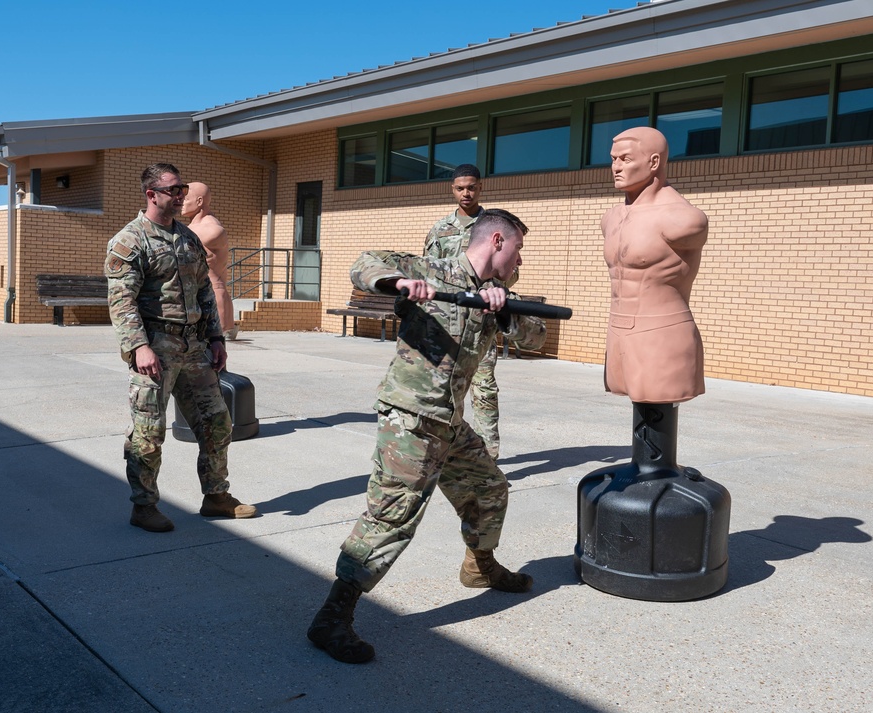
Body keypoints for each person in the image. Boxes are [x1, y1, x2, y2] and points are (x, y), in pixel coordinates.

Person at [308, 208, 546, 664]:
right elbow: (365, 263)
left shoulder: (496, 295)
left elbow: (536, 335)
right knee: (393, 517)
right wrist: (398, 285)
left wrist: (507, 313)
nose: (520, 261)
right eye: (518, 249)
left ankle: (480, 566)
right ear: (497, 241)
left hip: (448, 422)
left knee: (489, 488)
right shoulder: (431, 271)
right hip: (411, 419)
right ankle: (332, 618)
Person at [105, 163, 257, 533]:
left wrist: (217, 338)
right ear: (151, 194)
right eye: (173, 189)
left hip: (194, 348)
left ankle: (216, 497)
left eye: (182, 189)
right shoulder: (131, 240)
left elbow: (205, 291)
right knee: (149, 432)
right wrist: (139, 347)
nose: (180, 196)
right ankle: (144, 506)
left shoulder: (187, 238)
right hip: (155, 347)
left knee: (217, 423)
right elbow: (121, 301)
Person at [601, 126, 708, 404]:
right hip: (618, 330)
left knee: (659, 419)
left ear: (654, 162)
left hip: (663, 333)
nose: (616, 167)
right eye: (613, 159)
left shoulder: (682, 219)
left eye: (625, 159)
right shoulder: (611, 218)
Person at [424, 164, 510, 458]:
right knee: (445, 388)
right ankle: (446, 452)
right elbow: (429, 274)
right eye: (460, 188)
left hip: (481, 323)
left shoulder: (494, 227)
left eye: (471, 187)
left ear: (480, 188)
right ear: (452, 189)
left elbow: (509, 271)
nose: (466, 193)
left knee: (484, 389)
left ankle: (489, 457)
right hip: (448, 323)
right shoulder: (440, 230)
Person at [181, 182, 238, 340]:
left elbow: (182, 239)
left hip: (213, 297)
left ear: (199, 202)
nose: (181, 203)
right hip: (196, 295)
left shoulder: (212, 229)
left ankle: (226, 329)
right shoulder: (191, 227)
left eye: (186, 199)